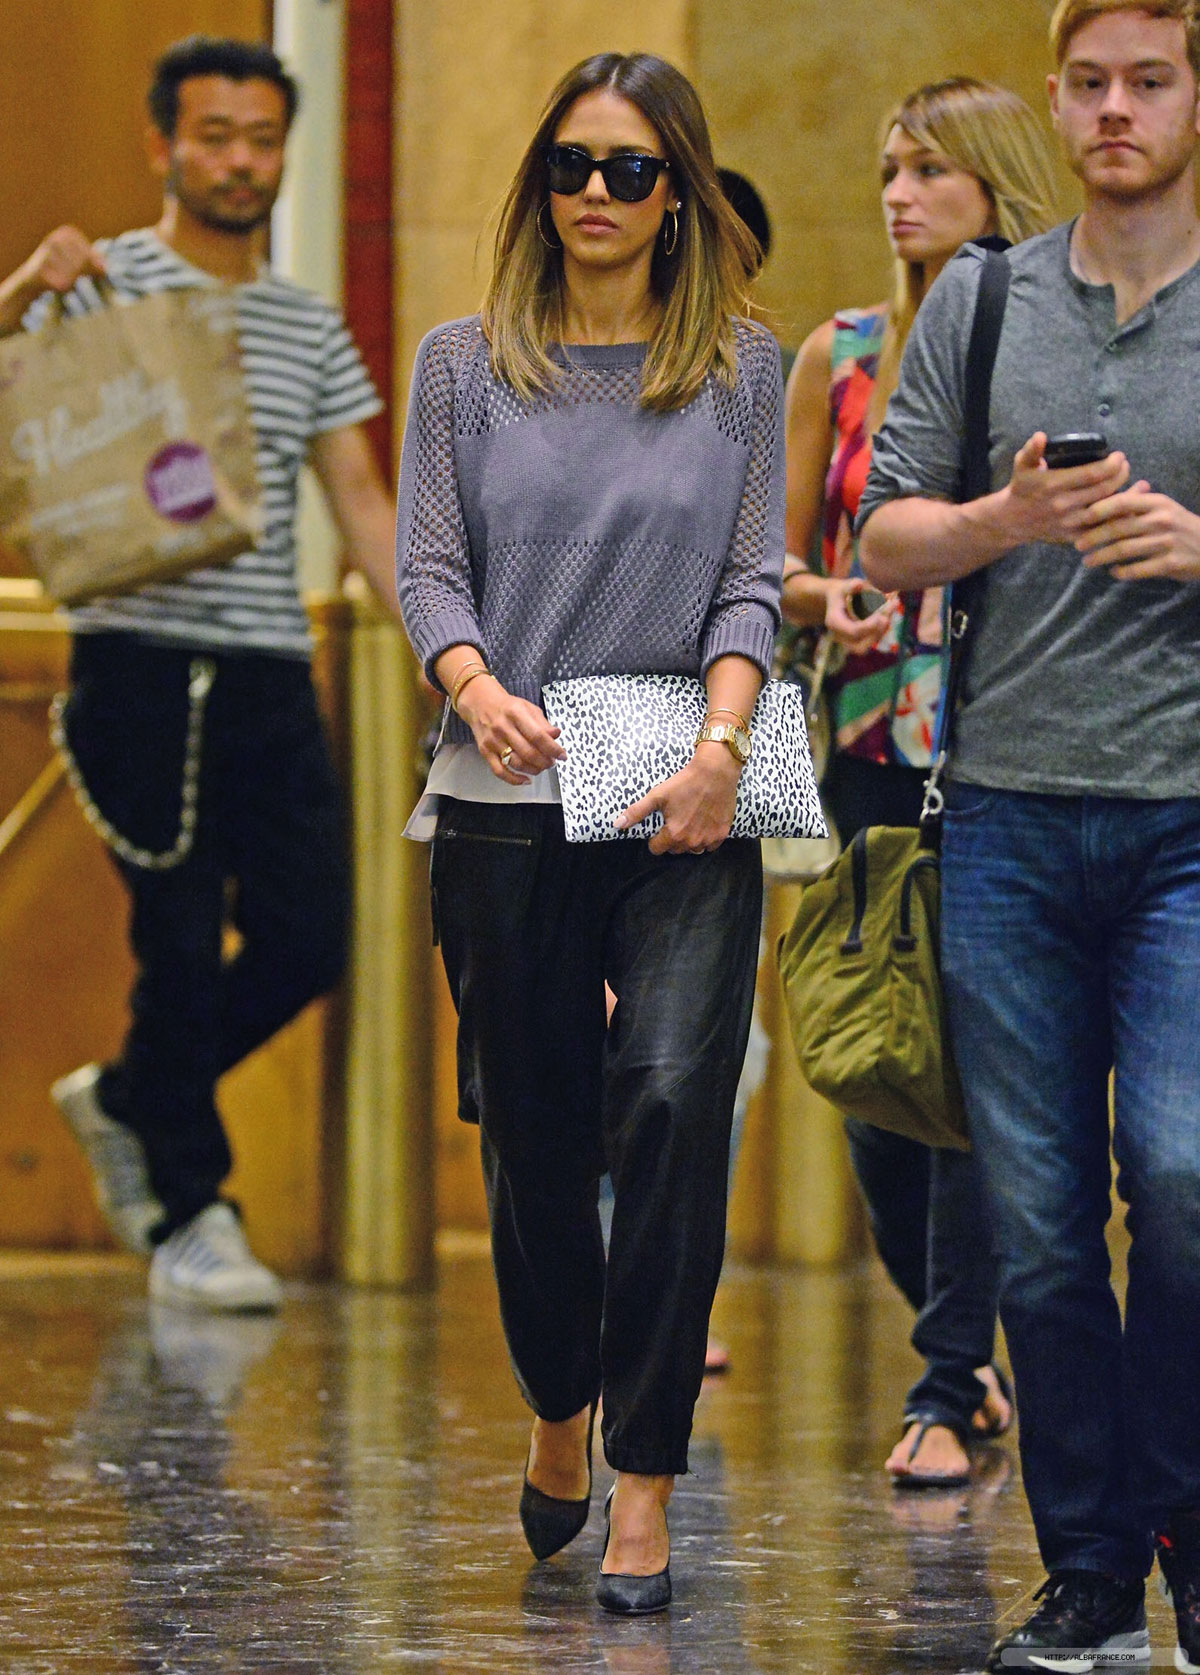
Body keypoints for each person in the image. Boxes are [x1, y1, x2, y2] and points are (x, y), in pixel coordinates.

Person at [395, 52, 780, 1614]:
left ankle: (646, 1482)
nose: (598, 196)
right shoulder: (462, 362)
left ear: (681, 187)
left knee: (680, 1100)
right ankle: (560, 1403)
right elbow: (429, 566)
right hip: (507, 779)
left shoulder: (741, 368)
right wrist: (475, 685)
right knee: (539, 1132)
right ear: (538, 183)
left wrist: (723, 743)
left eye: (631, 169)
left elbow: (754, 580)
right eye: (573, 166)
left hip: (681, 778)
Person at [858, 2, 1200, 1667]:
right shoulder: (986, 304)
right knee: (1046, 1222)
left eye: (1151, 80)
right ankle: (1085, 1574)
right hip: (1000, 814)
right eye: (1091, 83)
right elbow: (888, 526)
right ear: (1057, 102)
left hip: (1190, 829)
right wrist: (1011, 517)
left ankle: (1187, 1531)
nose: (1117, 109)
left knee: (1188, 1182)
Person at [0, 36, 399, 1313]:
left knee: (306, 935)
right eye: (214, 135)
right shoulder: (101, 283)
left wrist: (461, 657)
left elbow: (360, 499)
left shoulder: (306, 322)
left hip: (271, 668)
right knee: (172, 944)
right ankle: (191, 1207)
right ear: (163, 142)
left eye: (261, 138)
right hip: (135, 661)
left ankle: (128, 1097)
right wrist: (20, 294)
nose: (239, 160)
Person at [782, 78, 1056, 1490]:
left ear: (998, 186)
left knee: (970, 1075)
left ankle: (948, 1381)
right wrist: (830, 594)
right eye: (892, 168)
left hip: (1006, 746)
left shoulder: (1057, 343)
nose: (901, 194)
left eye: (934, 170)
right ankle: (958, 1345)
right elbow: (766, 568)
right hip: (864, 747)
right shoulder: (840, 351)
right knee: (870, 1069)